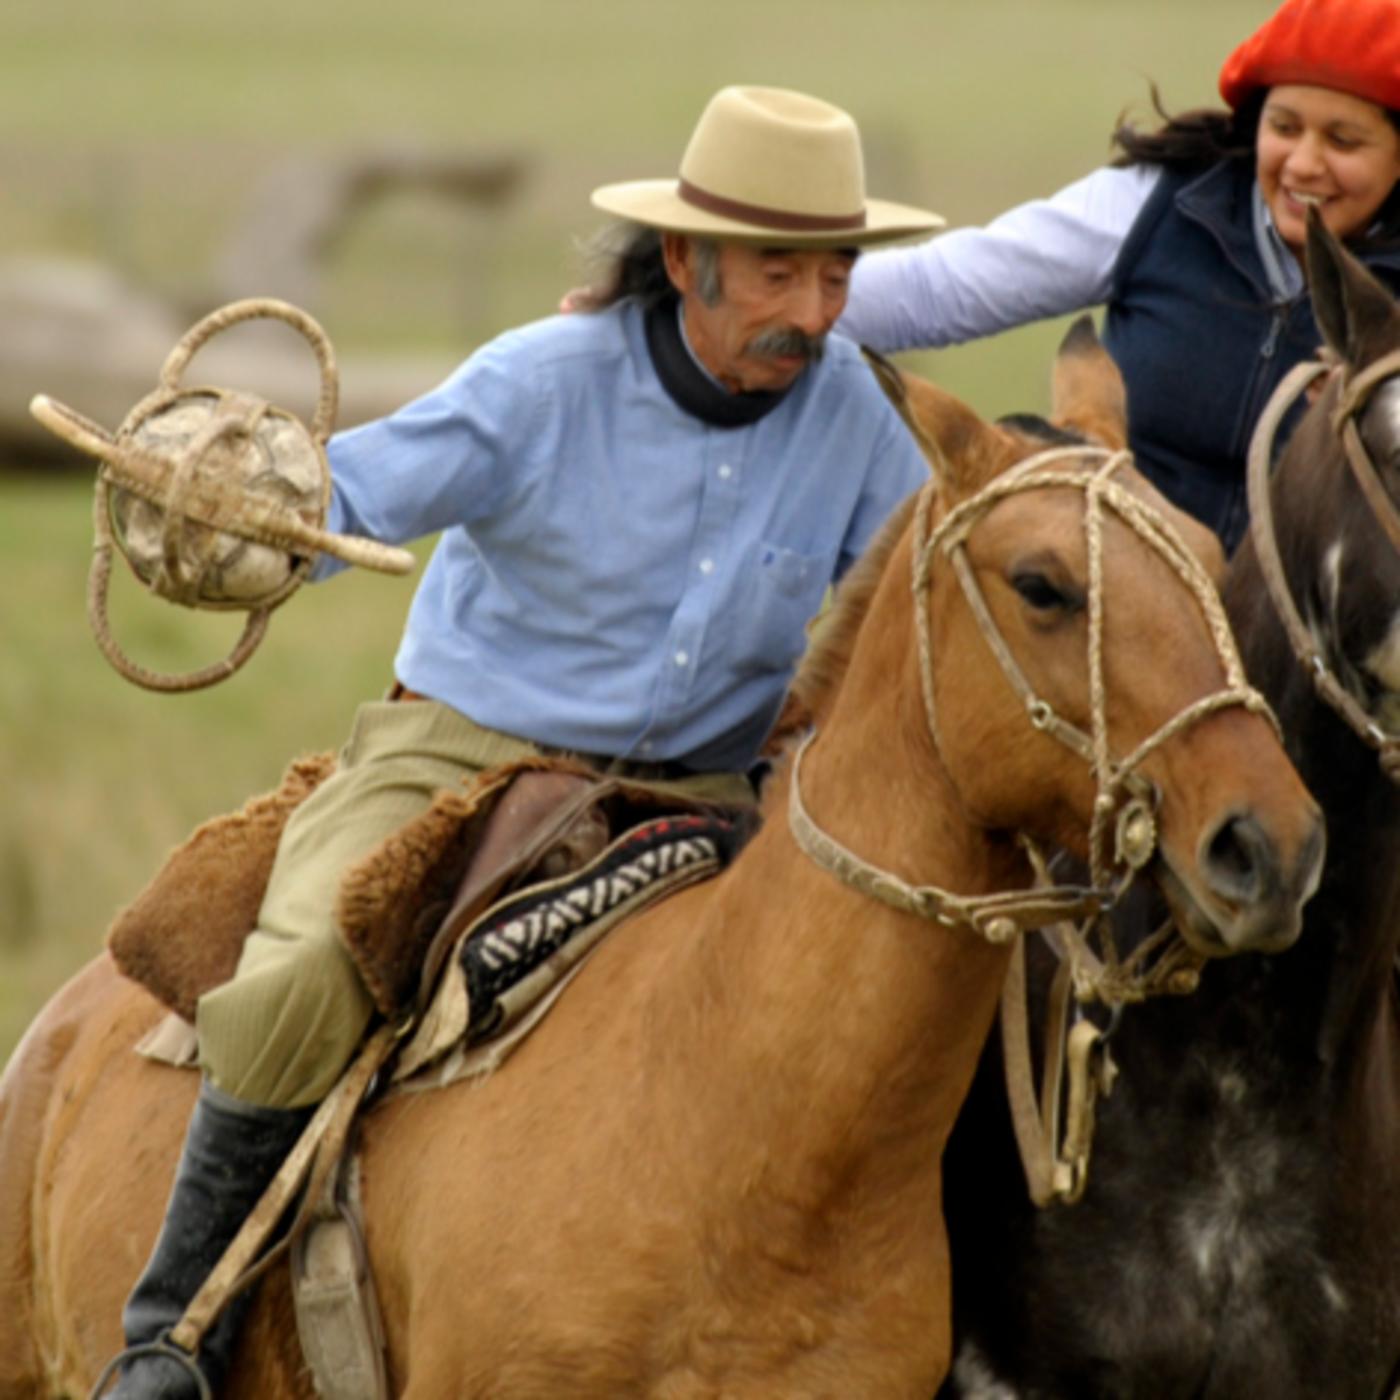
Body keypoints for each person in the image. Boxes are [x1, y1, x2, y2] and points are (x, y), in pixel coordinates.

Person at [102, 85, 943, 1396]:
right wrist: (234, 507)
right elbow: (353, 493)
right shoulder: (542, 380)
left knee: (890, 1004)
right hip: (467, 753)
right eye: (780, 273)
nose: (819, 314)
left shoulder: (856, 416)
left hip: (714, 786)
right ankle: (170, 1338)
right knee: (299, 978)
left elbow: (917, 603)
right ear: (685, 260)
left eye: (837, 273)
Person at [837, 0, 1400, 554]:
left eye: (1342, 141)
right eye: (1283, 127)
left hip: (1319, 638)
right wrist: (778, 302)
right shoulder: (1161, 203)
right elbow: (939, 289)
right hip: (1121, 611)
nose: (1302, 162)